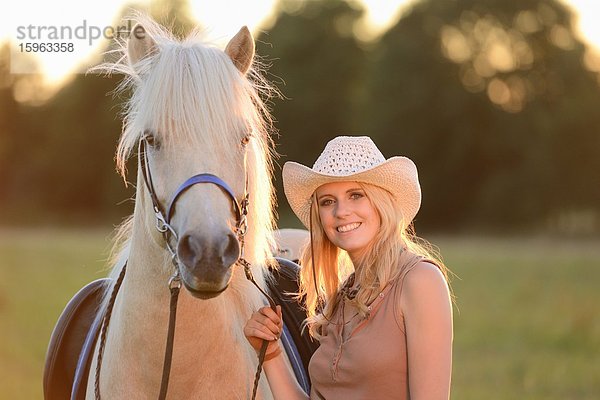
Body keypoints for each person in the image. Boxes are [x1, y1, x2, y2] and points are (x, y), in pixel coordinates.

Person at [244, 136, 453, 399]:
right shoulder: (342, 298)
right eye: (328, 201)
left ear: (381, 202)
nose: (341, 211)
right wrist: (271, 353)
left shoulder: (419, 280)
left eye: (356, 195)